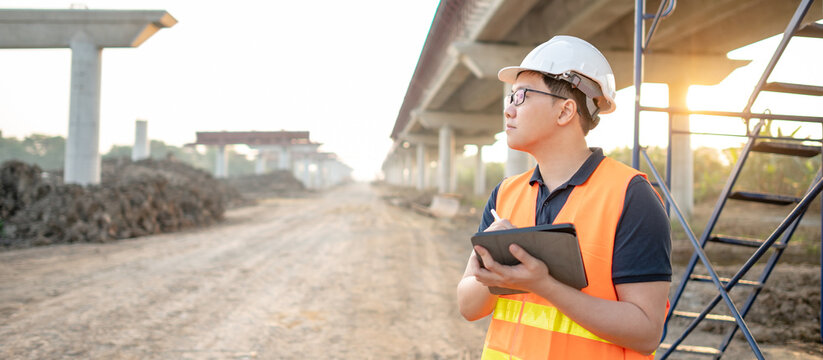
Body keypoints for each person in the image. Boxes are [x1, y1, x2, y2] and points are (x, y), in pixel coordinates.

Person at [456, 35, 672, 359]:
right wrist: (487, 266)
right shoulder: (505, 195)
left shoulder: (630, 196)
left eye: (522, 96)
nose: (508, 108)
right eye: (511, 97)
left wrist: (544, 285)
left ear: (565, 111)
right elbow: (468, 307)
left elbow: (646, 332)